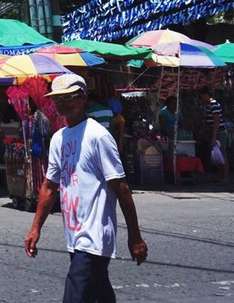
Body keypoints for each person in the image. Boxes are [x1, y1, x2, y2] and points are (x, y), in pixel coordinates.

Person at [25, 73, 147, 302]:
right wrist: (35, 229)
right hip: (74, 235)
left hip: (94, 236)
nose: (62, 104)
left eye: (68, 97)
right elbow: (50, 187)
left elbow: (121, 187)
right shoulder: (59, 138)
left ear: (83, 98)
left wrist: (135, 237)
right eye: (57, 99)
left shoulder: (98, 136)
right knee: (100, 295)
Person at [198, 86, 228, 183]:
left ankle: (225, 177)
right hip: (213, 132)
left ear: (205, 95)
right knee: (216, 155)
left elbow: (216, 120)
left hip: (219, 132)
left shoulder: (214, 104)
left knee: (222, 155)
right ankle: (220, 175)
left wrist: (214, 136)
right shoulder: (209, 105)